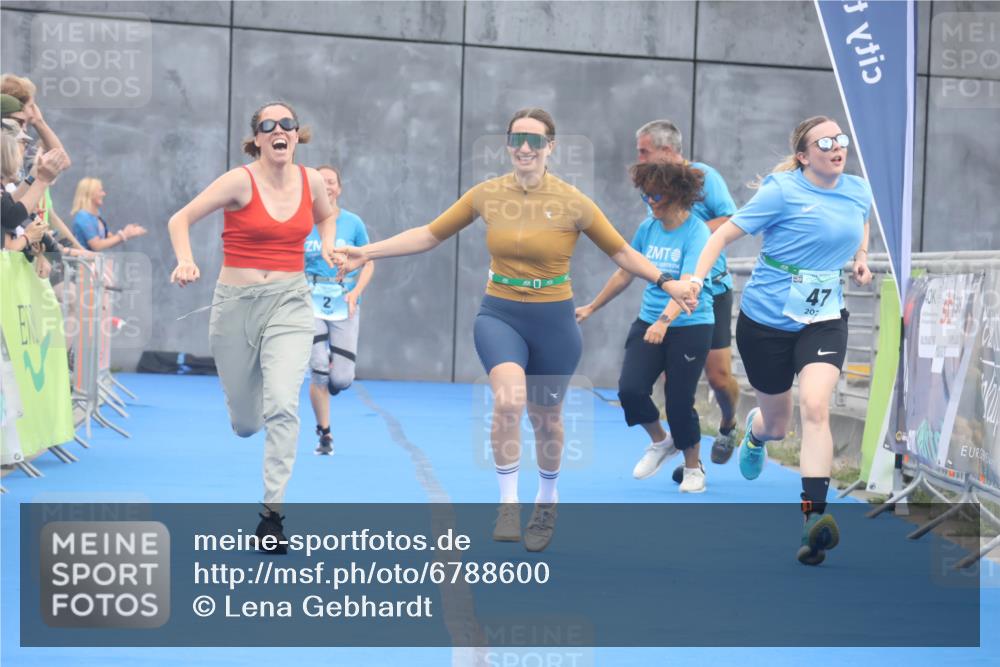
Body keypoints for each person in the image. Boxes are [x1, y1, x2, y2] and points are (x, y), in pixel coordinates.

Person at [334, 107, 692, 552]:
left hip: (554, 321)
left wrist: (666, 281)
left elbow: (621, 252)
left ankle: (546, 500)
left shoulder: (573, 201)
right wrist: (365, 252)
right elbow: (428, 235)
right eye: (518, 139)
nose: (526, 147)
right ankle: (507, 502)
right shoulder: (487, 194)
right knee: (508, 401)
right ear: (508, 145)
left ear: (550, 147)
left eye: (536, 140)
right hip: (500, 313)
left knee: (547, 420)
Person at [678, 116, 873, 565]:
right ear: (804, 156)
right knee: (778, 425)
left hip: (823, 319)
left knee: (817, 407)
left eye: (841, 137)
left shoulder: (857, 189)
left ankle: (813, 517)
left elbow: (861, 221)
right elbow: (723, 234)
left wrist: (861, 257)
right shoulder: (781, 192)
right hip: (765, 322)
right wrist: (694, 280)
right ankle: (756, 434)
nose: (836, 145)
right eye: (824, 141)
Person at [168, 101, 338, 552]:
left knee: (284, 404)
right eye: (269, 125)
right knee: (246, 423)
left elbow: (326, 216)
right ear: (257, 138)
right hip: (236, 306)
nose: (279, 130)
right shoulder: (239, 181)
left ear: (297, 135)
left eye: (287, 124)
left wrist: (329, 246)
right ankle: (255, 393)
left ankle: (271, 516)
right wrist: (185, 259)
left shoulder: (312, 181)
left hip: (290, 302)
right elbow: (179, 218)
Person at [576, 161, 714, 492]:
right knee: (630, 390)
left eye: (657, 196)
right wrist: (593, 306)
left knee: (679, 401)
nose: (650, 202)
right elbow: (626, 272)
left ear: (678, 196)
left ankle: (693, 468)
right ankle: (661, 442)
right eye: (646, 196)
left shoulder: (698, 233)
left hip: (690, 324)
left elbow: (687, 285)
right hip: (649, 321)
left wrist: (665, 322)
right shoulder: (647, 229)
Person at [635, 120, 741, 483]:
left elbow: (730, 219)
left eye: (644, 150)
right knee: (673, 381)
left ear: (667, 150)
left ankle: (728, 424)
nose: (639, 158)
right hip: (671, 293)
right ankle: (691, 456)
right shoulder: (650, 184)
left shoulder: (705, 176)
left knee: (718, 376)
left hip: (711, 288)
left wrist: (690, 237)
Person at [305, 165, 373, 455]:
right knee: (319, 369)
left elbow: (369, 260)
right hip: (309, 301)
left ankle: (334, 382)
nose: (326, 187)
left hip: (344, 301)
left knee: (342, 379)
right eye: (320, 183)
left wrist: (357, 292)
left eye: (331, 182)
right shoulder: (302, 222)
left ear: (339, 188)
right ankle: (325, 432)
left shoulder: (353, 223)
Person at [70, 178, 147, 250]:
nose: (104, 194)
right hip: (82, 263)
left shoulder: (96, 218)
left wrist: (128, 233)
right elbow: (97, 245)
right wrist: (124, 234)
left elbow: (109, 240)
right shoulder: (83, 217)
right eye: (100, 191)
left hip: (91, 262)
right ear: (90, 194)